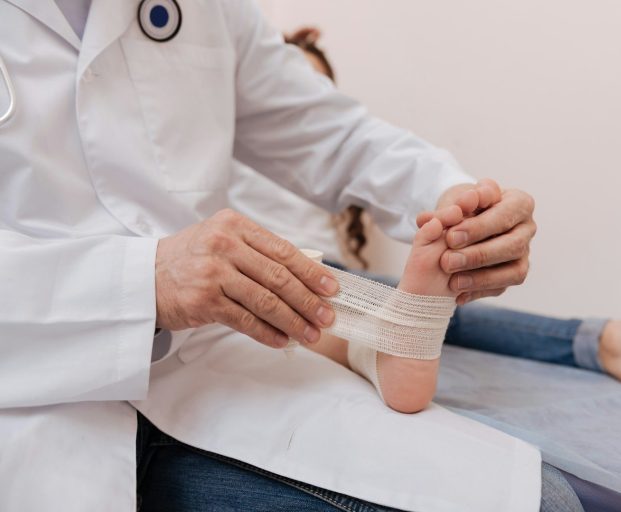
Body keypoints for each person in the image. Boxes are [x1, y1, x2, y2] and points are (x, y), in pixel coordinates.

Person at [0, 2, 557, 512]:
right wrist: (147, 281)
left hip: (207, 352)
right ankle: (377, 342)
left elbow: (331, 132)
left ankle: (380, 342)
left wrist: (453, 202)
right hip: (31, 384)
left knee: (543, 502)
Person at [231, 27, 621, 398]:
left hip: (334, 270)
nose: (308, 94)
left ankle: (606, 343)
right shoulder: (222, 151)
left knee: (425, 300)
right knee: (348, 298)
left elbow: (346, 142)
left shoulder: (305, 132)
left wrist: (456, 202)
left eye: (320, 88)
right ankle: (606, 343)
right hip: (274, 264)